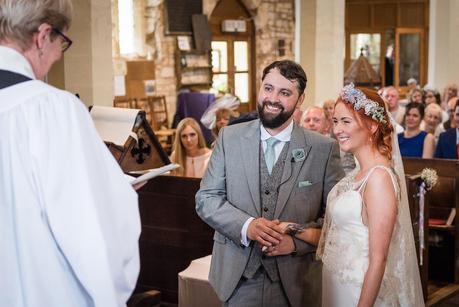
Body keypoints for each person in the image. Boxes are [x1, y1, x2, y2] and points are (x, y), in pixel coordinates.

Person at [0, 1, 141, 306]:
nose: (56, 56)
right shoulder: (50, 109)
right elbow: (91, 230)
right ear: (42, 36)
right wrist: (115, 190)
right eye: (62, 43)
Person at [195, 60, 344, 307]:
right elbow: (206, 199)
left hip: (296, 283)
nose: (273, 98)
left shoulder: (323, 150)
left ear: (300, 99)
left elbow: (336, 222)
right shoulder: (229, 138)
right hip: (237, 278)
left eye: (284, 92)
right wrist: (247, 226)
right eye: (268, 88)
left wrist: (295, 243)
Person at [313, 84, 423, 306]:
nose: (338, 130)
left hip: (359, 291)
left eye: (346, 121)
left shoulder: (379, 179)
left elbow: (379, 259)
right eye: (335, 121)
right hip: (337, 286)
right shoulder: (356, 174)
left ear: (372, 125)